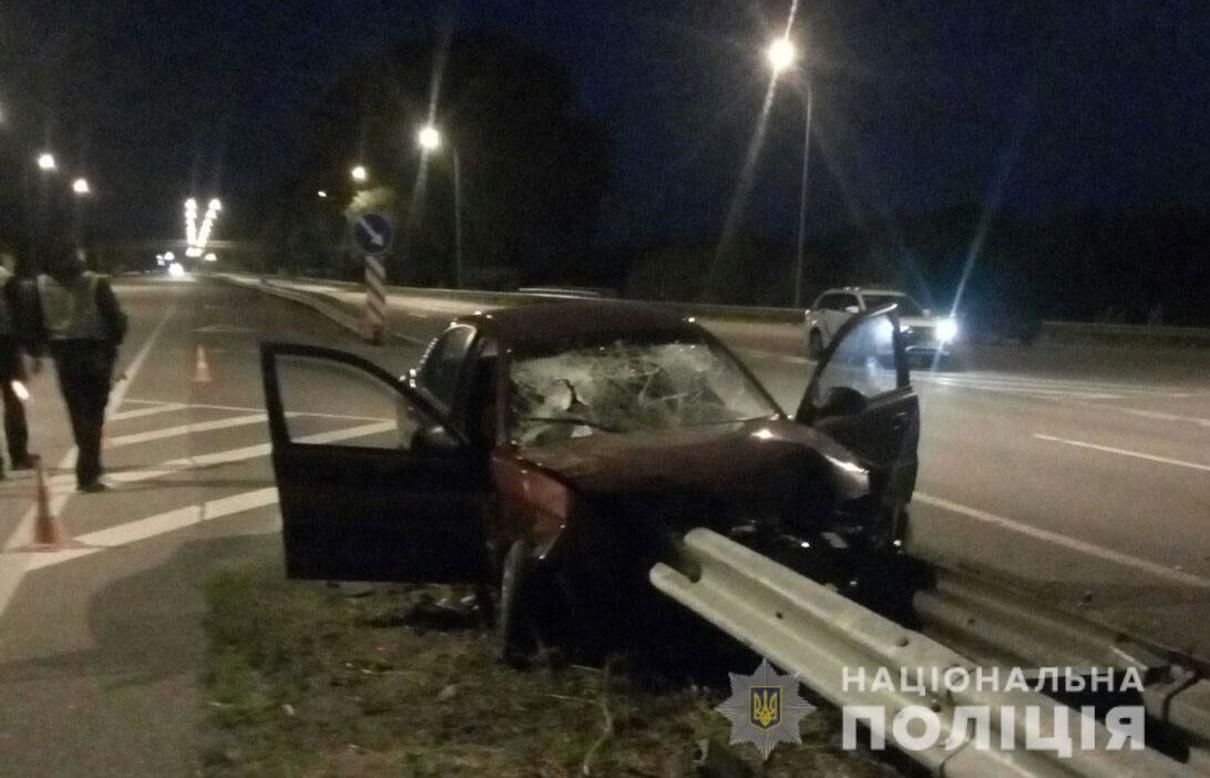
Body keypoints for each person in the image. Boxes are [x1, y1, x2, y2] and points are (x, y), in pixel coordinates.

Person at [27, 247, 127, 492]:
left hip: (63, 354)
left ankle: (90, 466)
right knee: (94, 413)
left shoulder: (41, 285)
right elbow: (115, 320)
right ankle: (88, 473)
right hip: (95, 352)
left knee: (77, 411)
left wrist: (43, 347)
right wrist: (114, 340)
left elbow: (34, 321)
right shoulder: (96, 282)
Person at [0, 255, 36, 477]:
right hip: (7, 349)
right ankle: (19, 456)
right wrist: (33, 351)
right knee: (14, 402)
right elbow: (22, 318)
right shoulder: (8, 282)